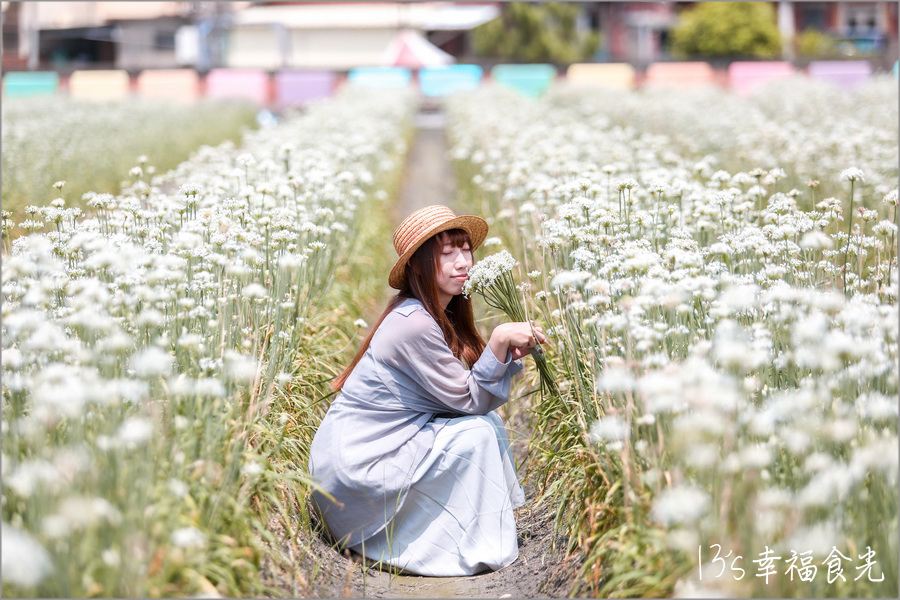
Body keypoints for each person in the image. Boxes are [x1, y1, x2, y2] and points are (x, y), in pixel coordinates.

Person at [308, 205, 548, 577]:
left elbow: (462, 398)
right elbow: (470, 401)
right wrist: (500, 338)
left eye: (464, 248)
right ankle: (439, 545)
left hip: (365, 459)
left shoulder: (429, 314)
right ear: (419, 265)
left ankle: (480, 530)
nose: (461, 261)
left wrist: (504, 353)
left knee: (486, 426)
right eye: (446, 252)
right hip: (354, 476)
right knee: (479, 432)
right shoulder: (412, 324)